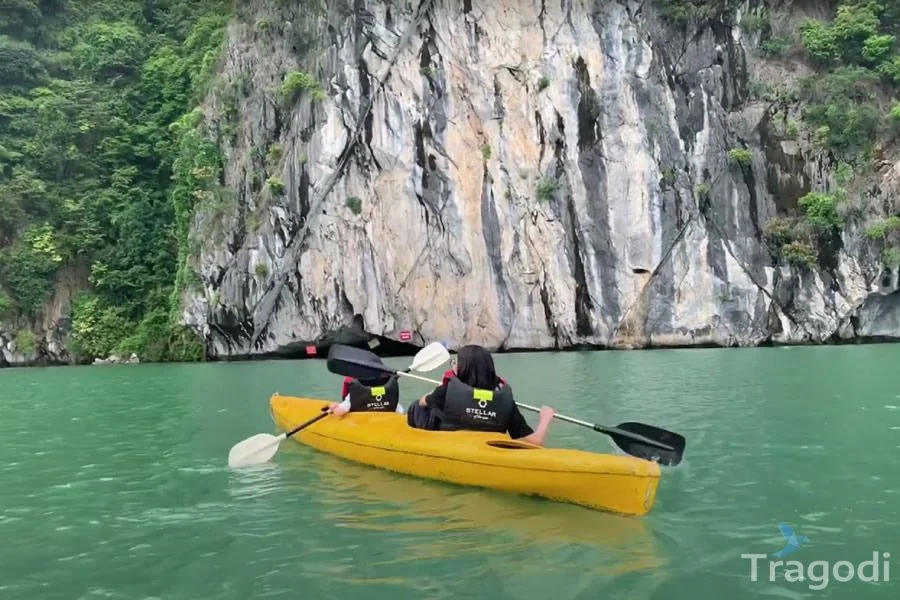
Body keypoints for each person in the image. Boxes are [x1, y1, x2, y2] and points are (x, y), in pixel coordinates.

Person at [408, 344, 555, 446]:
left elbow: (422, 403)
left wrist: (438, 389)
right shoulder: (503, 399)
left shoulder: (445, 391)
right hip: (485, 446)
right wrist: (545, 419)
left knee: (418, 406)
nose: (453, 366)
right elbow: (536, 441)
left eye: (455, 363)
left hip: (451, 444)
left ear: (462, 368)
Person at [328, 372, 406, 417]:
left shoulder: (355, 393)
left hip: (362, 428)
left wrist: (333, 407)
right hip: (386, 426)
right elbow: (401, 412)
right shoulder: (389, 393)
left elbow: (339, 412)